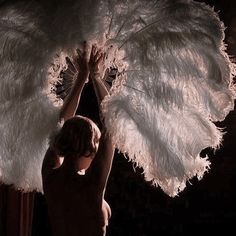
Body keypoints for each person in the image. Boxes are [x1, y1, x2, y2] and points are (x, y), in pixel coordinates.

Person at [41, 42, 115, 236]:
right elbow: (113, 122)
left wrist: (82, 78)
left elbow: (60, 125)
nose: (98, 151)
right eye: (97, 143)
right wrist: (96, 77)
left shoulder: (49, 177)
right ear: (88, 147)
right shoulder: (92, 185)